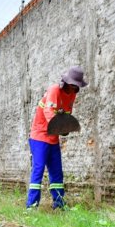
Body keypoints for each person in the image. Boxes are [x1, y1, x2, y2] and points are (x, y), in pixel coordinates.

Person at [26, 65, 87, 209]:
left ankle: (59, 204)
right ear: (67, 82)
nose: (74, 89)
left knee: (56, 172)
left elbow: (65, 113)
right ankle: (32, 206)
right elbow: (48, 112)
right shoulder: (54, 90)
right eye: (72, 85)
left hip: (53, 137)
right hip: (39, 135)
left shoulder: (72, 94)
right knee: (39, 169)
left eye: (76, 86)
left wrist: (65, 127)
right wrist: (59, 128)